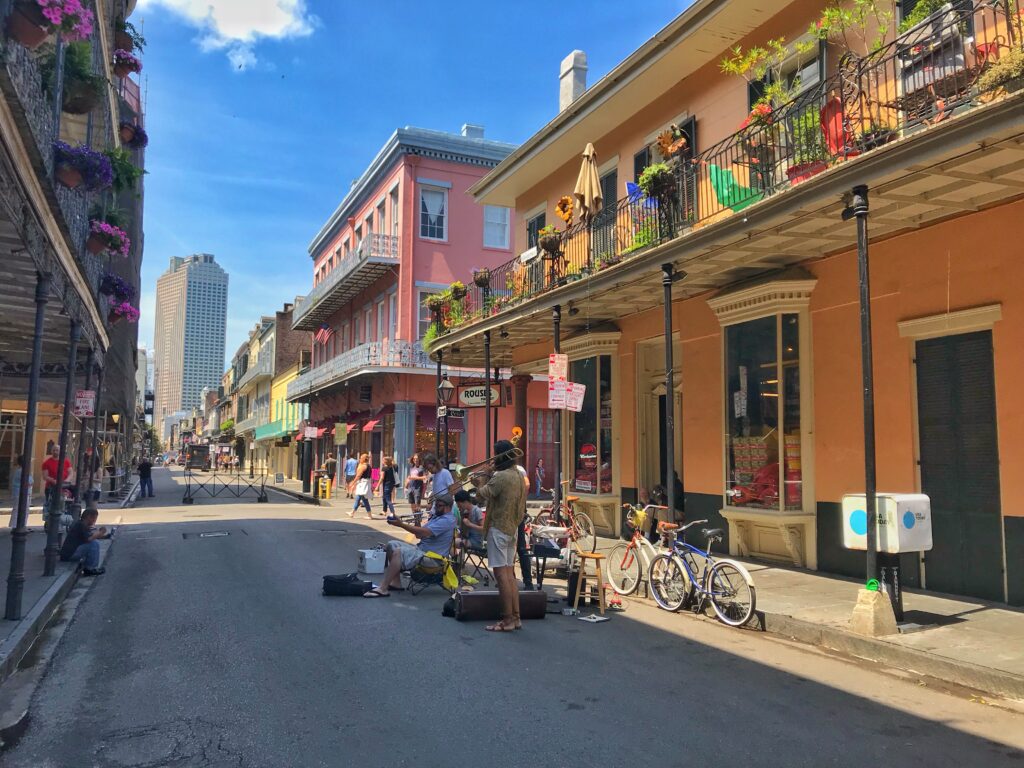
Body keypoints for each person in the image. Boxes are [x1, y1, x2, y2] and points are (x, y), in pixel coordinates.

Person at [473, 440, 528, 631]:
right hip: (512, 528)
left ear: (500, 456)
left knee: (501, 575)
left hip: (498, 528)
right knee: (510, 575)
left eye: (495, 454)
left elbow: (481, 495)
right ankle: (516, 617)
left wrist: (483, 476)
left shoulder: (501, 477)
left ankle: (507, 620)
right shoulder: (519, 476)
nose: (493, 458)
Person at [364, 496, 457, 597]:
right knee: (392, 545)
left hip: (434, 558)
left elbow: (425, 532)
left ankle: (383, 588)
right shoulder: (437, 517)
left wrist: (401, 524)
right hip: (422, 551)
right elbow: (419, 535)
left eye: (439, 506)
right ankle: (396, 583)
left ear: (448, 507)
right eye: (436, 505)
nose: (436, 508)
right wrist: (417, 519)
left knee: (399, 551)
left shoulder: (447, 520)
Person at [59, 507, 110, 576]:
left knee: (94, 543)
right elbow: (89, 539)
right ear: (88, 517)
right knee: (93, 544)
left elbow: (91, 535)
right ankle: (90, 568)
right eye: (94, 518)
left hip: (70, 553)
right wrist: (100, 532)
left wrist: (104, 536)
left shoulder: (82, 524)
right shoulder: (81, 525)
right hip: (69, 554)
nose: (94, 521)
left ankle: (89, 566)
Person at [8, 455, 32, 531]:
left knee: (18, 509)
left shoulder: (19, 470)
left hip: (19, 493)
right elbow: (30, 481)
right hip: (21, 494)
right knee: (22, 510)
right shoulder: (23, 471)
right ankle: (18, 526)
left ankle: (16, 526)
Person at [347, 452, 374, 519]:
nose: (359, 459)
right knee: (358, 498)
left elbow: (358, 476)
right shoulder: (369, 466)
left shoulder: (363, 466)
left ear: (363, 459)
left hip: (362, 484)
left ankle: (369, 515)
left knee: (364, 500)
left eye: (361, 458)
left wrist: (353, 483)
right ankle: (352, 512)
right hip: (365, 483)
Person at [405, 454, 425, 523]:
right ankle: (415, 517)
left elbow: (424, 477)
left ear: (419, 459)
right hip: (411, 487)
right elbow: (409, 477)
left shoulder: (421, 467)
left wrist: (414, 477)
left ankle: (418, 518)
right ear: (413, 460)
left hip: (417, 488)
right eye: (414, 459)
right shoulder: (412, 467)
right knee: (412, 503)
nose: (415, 460)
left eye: (417, 458)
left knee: (417, 504)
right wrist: (406, 485)